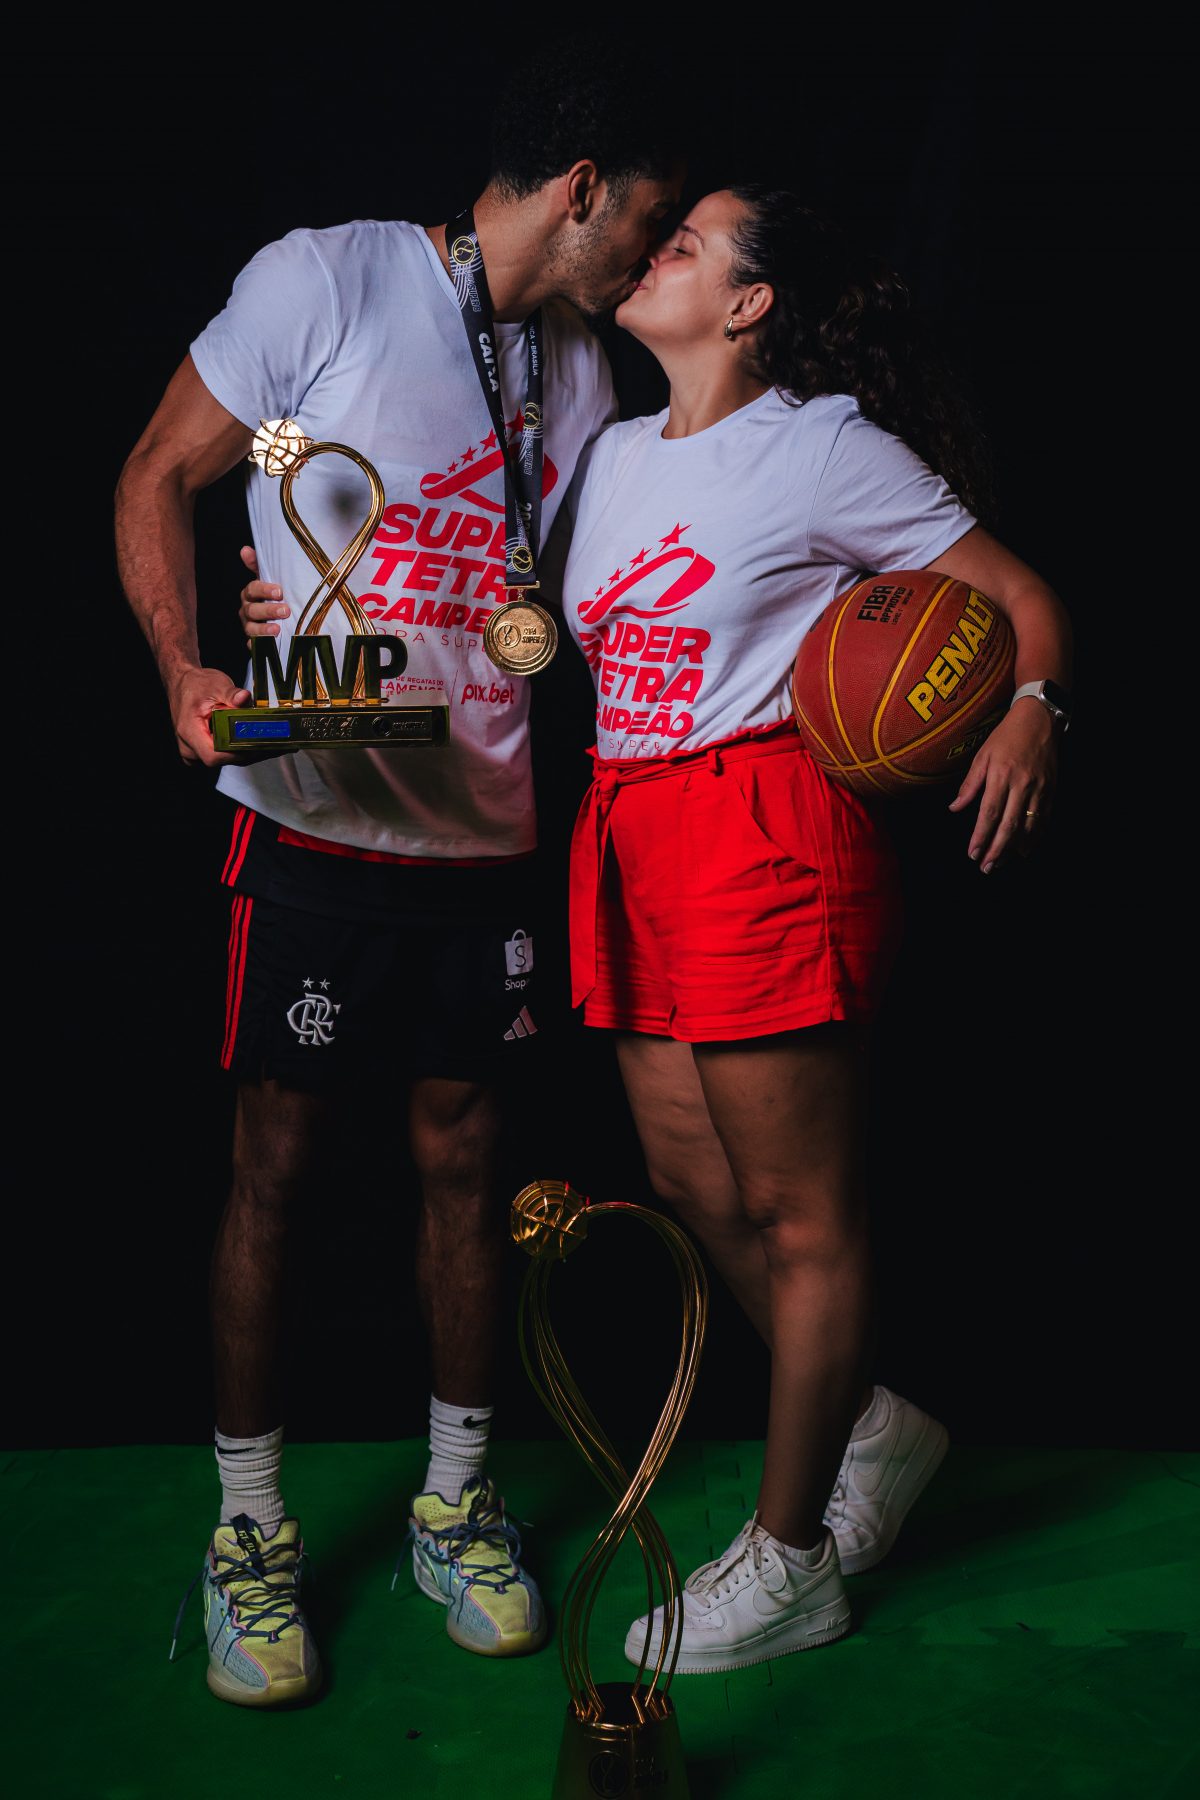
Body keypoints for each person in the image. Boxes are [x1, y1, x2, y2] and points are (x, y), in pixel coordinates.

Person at [114, 46, 685, 1706]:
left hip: (481, 837)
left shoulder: (578, 369)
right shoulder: (329, 279)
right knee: (276, 1168)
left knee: (468, 1168)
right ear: (581, 190)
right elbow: (159, 470)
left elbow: (542, 608)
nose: (647, 258)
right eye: (643, 223)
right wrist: (185, 666)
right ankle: (247, 1529)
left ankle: (457, 1504)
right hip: (309, 814)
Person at [556, 186, 1073, 1671]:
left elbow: (1018, 595)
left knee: (800, 1215)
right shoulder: (613, 451)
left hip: (761, 828)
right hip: (632, 829)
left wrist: (1035, 705)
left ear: (748, 304)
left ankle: (792, 1565)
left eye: (687, 245)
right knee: (687, 1177)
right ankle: (871, 1425)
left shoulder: (823, 446)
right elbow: (575, 636)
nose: (652, 250)